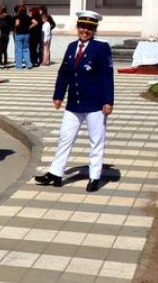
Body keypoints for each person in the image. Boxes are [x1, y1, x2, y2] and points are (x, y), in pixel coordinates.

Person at [35, 11, 114, 192]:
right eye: (82, 26)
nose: (84, 30)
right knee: (65, 137)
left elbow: (106, 76)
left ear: (94, 30)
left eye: (89, 28)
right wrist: (58, 95)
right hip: (74, 102)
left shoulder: (101, 48)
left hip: (95, 103)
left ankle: (94, 176)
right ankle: (56, 173)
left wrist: (108, 101)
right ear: (78, 27)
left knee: (96, 140)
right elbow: (64, 73)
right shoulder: (71, 47)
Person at [13, 4, 32, 69]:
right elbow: (35, 22)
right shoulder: (28, 17)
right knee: (26, 49)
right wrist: (29, 27)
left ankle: (19, 66)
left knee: (19, 50)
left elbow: (17, 24)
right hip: (26, 34)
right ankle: (29, 64)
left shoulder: (18, 17)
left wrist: (15, 27)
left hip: (19, 34)